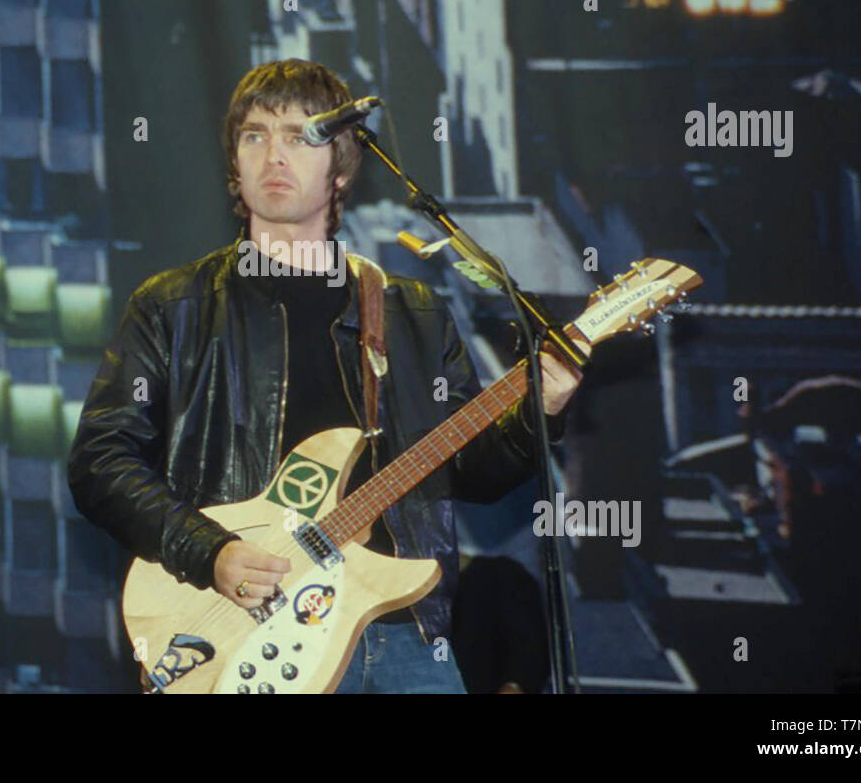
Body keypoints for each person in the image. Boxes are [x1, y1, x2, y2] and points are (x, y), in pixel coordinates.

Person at [67, 58, 586, 693]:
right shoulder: (175, 307)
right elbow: (99, 461)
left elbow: (473, 472)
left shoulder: (411, 313)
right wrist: (212, 551)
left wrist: (541, 411)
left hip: (404, 636)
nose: (272, 155)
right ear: (234, 160)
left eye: (298, 136)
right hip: (246, 633)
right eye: (254, 135)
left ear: (341, 165)